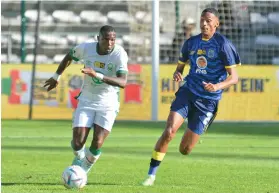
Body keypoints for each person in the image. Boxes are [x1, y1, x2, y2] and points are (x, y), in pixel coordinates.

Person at [142, 8, 240, 186]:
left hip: (208, 101)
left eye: (209, 21)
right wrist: (177, 73)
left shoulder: (223, 44)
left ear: (216, 23)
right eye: (202, 20)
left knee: (185, 149)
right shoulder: (191, 43)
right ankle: (151, 175)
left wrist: (216, 86)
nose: (204, 24)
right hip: (188, 92)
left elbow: (234, 78)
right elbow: (179, 67)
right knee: (170, 131)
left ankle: (199, 128)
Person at [44, 25, 128, 175]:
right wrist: (57, 76)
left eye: (113, 40)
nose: (109, 43)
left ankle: (82, 171)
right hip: (87, 100)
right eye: (106, 39)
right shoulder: (86, 49)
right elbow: (69, 56)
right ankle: (80, 159)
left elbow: (123, 82)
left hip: (108, 103)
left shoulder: (119, 54)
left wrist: (97, 75)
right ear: (98, 38)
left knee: (97, 142)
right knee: (77, 143)